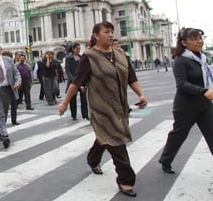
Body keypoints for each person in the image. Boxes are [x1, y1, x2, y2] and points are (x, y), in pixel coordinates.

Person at [58, 22, 147, 198]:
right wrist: (65, 103)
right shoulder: (89, 57)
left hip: (120, 106)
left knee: (105, 137)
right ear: (96, 35)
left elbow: (131, 77)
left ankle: (93, 159)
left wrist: (141, 95)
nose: (110, 34)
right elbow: (76, 82)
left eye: (112, 31)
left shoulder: (120, 54)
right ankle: (126, 179)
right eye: (106, 32)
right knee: (116, 142)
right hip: (101, 109)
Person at [159, 28, 213, 174]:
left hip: (205, 105)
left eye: (200, 38)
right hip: (186, 106)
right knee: (179, 135)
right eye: (194, 38)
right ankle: (166, 159)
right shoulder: (180, 60)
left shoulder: (202, 59)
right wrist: (204, 91)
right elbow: (182, 84)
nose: (199, 41)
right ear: (184, 42)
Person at [64, 42, 89, 120]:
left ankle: (85, 115)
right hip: (73, 81)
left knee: (84, 99)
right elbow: (68, 71)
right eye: (77, 49)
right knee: (72, 99)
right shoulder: (68, 58)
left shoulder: (81, 57)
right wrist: (75, 80)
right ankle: (73, 115)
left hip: (81, 81)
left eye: (79, 49)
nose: (78, 50)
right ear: (73, 49)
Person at [1, 50, 20, 124]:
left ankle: (14, 120)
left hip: (12, 87)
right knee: (4, 107)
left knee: (14, 105)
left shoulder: (12, 65)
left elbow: (17, 74)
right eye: (5, 57)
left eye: (8, 57)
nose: (7, 59)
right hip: (3, 88)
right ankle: (3, 121)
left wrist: (17, 82)